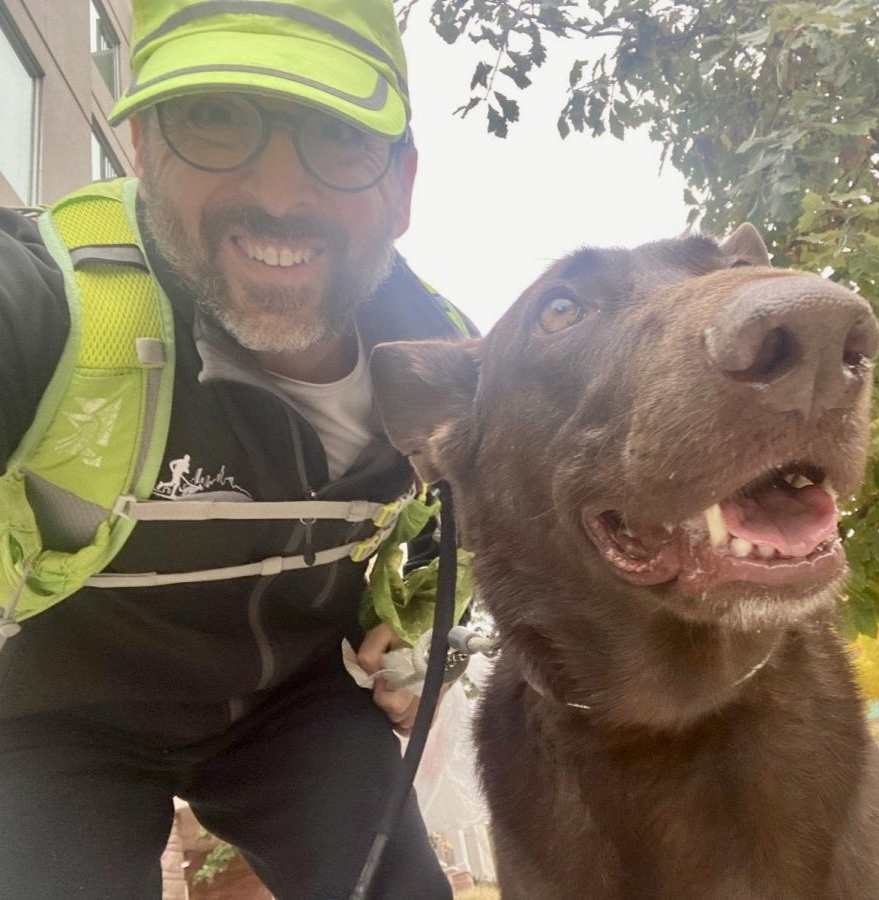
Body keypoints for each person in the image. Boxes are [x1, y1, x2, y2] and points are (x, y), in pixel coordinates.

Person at [0, 1, 475, 897]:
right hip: (54, 718)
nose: (281, 195)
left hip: (296, 709)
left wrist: (417, 646)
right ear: (141, 145)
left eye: (337, 133)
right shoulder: (52, 303)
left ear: (404, 185)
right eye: (214, 119)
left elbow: (474, 534)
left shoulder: (445, 361)